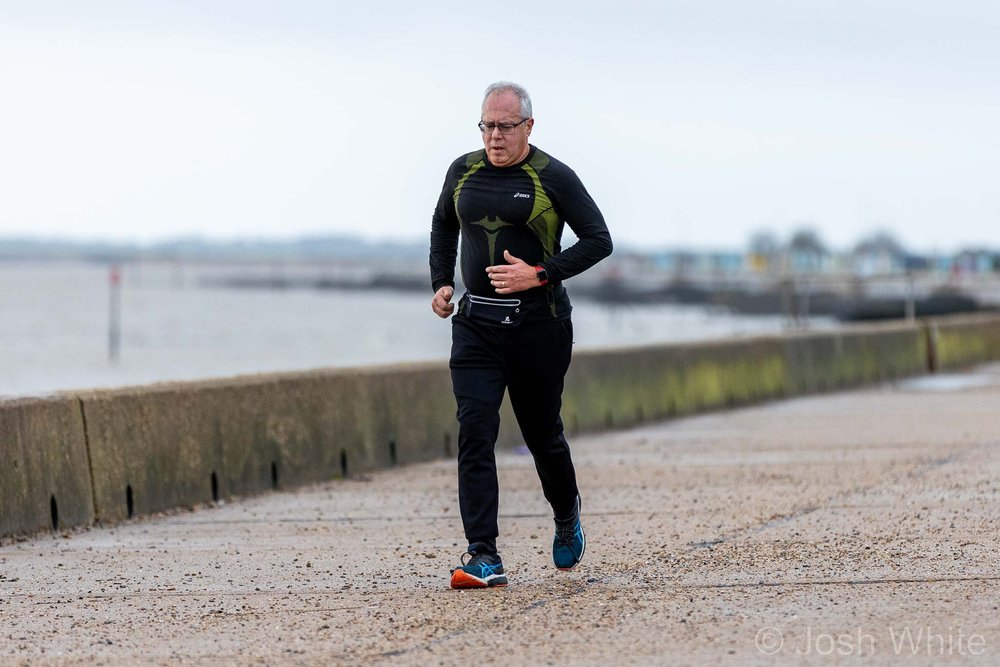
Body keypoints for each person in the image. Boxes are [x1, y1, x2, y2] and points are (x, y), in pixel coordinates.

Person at [429, 81, 613, 589]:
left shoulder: (553, 176)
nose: (494, 136)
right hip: (476, 326)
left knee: (541, 436)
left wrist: (541, 274)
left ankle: (566, 514)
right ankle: (483, 556)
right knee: (475, 431)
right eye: (487, 125)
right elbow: (443, 225)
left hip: (539, 326)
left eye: (505, 126)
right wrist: (442, 283)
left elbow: (599, 240)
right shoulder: (462, 171)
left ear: (528, 126)